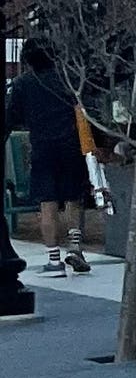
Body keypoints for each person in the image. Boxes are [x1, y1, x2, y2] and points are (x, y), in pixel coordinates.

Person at [3, 37, 94, 274]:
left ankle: (54, 261)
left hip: (43, 149)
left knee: (48, 204)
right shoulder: (68, 80)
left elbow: (10, 118)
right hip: (71, 146)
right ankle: (74, 248)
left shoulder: (23, 84)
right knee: (74, 199)